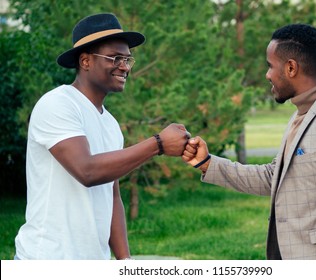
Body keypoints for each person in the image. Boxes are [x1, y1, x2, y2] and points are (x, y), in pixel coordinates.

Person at [183, 23, 316, 260]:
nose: (267, 74)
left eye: (271, 66)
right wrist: (208, 163)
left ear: (291, 67)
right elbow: (275, 178)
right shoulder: (302, 114)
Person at [14, 13, 190, 260]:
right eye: (115, 58)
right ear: (85, 61)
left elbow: (112, 195)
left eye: (128, 59)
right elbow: (87, 171)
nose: (125, 66)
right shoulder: (57, 104)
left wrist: (124, 261)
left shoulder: (110, 123)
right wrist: (158, 144)